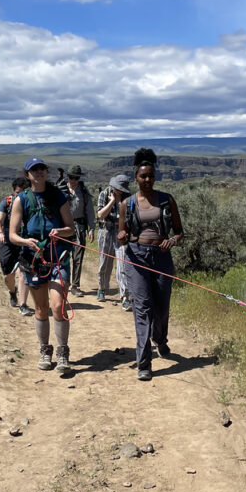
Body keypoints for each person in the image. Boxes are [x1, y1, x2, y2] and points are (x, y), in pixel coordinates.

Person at [118, 148, 184, 381]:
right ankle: (144, 363)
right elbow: (122, 232)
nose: (147, 180)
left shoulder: (167, 200)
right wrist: (123, 237)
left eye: (151, 176)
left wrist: (172, 241)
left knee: (162, 307)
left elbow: (179, 232)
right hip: (136, 258)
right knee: (142, 309)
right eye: (143, 176)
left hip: (162, 257)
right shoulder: (127, 203)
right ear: (136, 177)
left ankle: (161, 340)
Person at [9, 157, 76, 376]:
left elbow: (71, 228)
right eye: (34, 170)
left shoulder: (58, 196)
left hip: (58, 257)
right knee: (40, 308)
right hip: (34, 259)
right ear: (27, 175)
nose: (39, 172)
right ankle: (44, 350)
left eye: (42, 169)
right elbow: (12, 234)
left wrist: (60, 232)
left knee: (57, 305)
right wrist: (26, 242)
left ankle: (63, 352)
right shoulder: (21, 200)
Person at [0, 176, 34, 317]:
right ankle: (12, 291)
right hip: (8, 242)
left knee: (23, 272)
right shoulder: (7, 202)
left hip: (24, 242)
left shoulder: (31, 204)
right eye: (18, 193)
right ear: (13, 192)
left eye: (23, 193)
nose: (20, 197)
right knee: (7, 276)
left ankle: (23, 305)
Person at [95, 173, 130, 304]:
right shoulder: (104, 194)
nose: (120, 191)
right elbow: (100, 215)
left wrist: (120, 203)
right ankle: (102, 288)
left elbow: (129, 216)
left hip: (121, 233)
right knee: (105, 262)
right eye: (118, 189)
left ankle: (125, 296)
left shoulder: (128, 197)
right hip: (106, 231)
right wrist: (112, 201)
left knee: (122, 264)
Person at [64, 165, 95, 297]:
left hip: (79, 227)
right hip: (64, 227)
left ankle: (75, 286)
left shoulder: (83, 191)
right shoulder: (61, 190)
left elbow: (89, 210)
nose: (74, 180)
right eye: (71, 177)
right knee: (63, 256)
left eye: (76, 177)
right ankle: (63, 283)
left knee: (77, 258)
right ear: (68, 177)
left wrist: (91, 228)